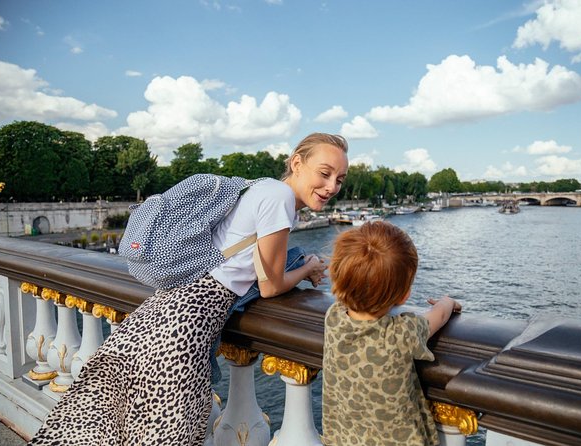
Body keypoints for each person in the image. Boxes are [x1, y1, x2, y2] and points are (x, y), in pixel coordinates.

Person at [29, 133, 349, 446]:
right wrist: (307, 268)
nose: (332, 186)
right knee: (171, 429)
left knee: (102, 419)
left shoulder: (263, 188)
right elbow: (270, 286)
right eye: (325, 173)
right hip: (187, 327)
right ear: (296, 163)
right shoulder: (279, 200)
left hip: (166, 310)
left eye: (340, 180)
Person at [322, 221, 461, 446]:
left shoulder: (334, 317)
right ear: (404, 295)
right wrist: (449, 300)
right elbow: (440, 315)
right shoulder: (402, 333)